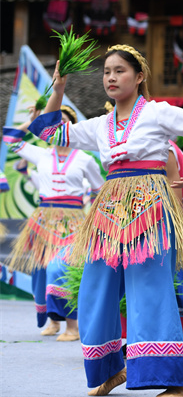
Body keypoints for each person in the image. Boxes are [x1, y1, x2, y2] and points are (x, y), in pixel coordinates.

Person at [28, 45, 183, 397]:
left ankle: (172, 384)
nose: (111, 77)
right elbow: (48, 133)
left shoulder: (158, 113)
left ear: (139, 77)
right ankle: (109, 371)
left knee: (150, 288)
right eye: (107, 71)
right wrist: (58, 89)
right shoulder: (98, 125)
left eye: (119, 70)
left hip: (150, 207)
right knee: (95, 289)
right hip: (108, 211)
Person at [4, 104, 104, 341]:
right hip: (43, 220)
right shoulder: (40, 153)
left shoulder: (84, 158)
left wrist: (95, 218)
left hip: (73, 221)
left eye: (65, 122)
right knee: (41, 270)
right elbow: (9, 137)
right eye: (55, 122)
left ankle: (73, 325)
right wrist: (34, 121)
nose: (60, 126)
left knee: (63, 267)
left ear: (73, 127)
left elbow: (100, 188)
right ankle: (53, 321)